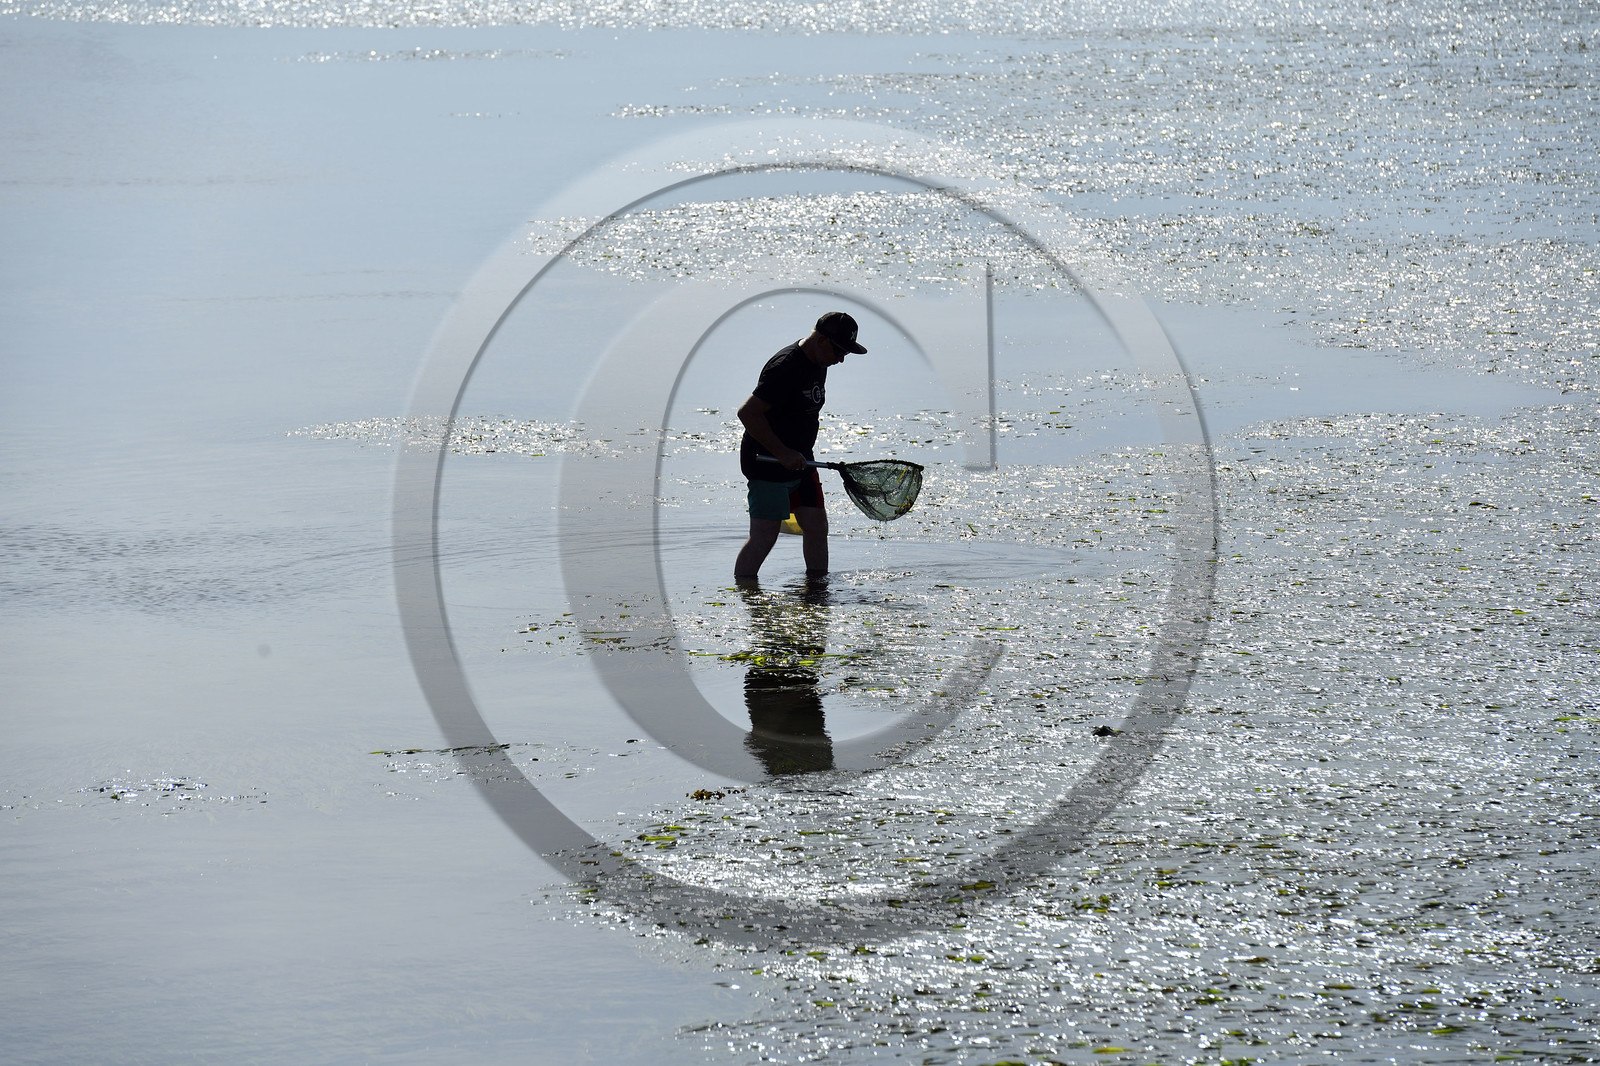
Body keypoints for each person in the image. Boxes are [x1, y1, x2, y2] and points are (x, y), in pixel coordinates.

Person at [733, 311, 867, 582]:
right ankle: (744, 591)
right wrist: (782, 453)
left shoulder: (820, 362)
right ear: (822, 340)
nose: (841, 359)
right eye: (840, 351)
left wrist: (796, 453)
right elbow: (747, 413)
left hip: (802, 461)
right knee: (764, 536)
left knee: (817, 527)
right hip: (767, 463)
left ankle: (817, 591)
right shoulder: (785, 367)